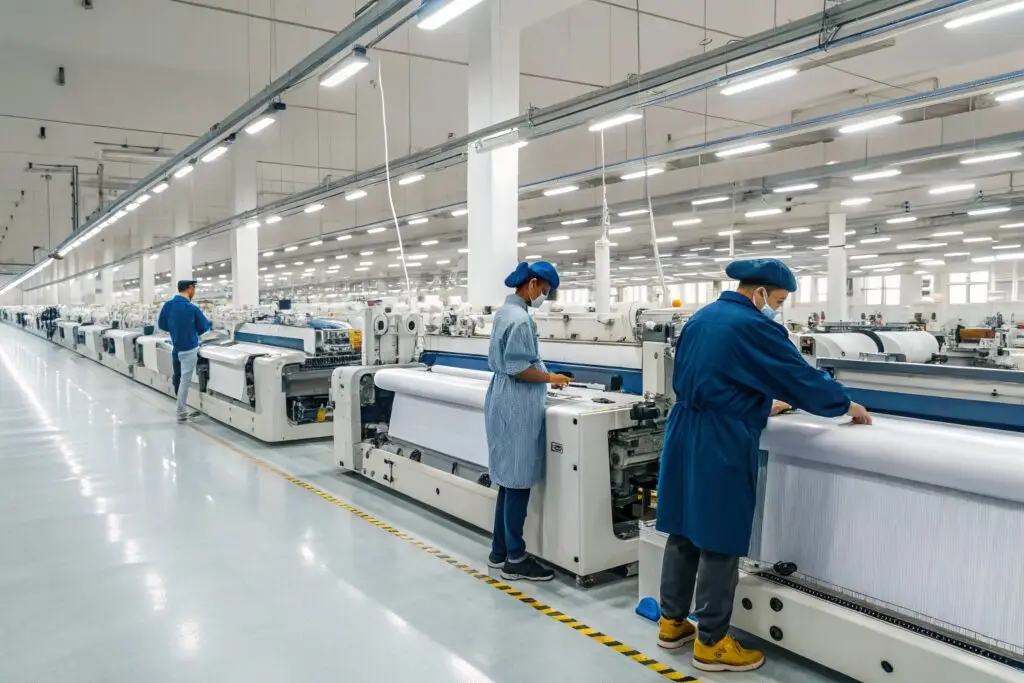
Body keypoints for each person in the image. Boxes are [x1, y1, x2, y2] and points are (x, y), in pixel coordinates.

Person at [656, 258, 871, 673]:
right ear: (759, 293)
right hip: (721, 437)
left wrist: (756, 403)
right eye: (778, 300)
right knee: (719, 535)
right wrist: (845, 404)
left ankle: (672, 623)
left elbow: (715, 376)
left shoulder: (701, 317)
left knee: (683, 528)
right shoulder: (754, 325)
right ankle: (712, 643)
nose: (777, 308)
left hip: (684, 428)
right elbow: (799, 376)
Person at [484, 261, 571, 582]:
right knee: (518, 481)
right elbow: (520, 369)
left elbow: (517, 362)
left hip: (502, 398)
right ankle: (516, 559)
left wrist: (546, 375)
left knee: (507, 481)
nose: (543, 297)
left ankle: (498, 552)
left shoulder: (504, 313)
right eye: (544, 291)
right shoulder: (521, 320)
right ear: (532, 284)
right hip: (517, 404)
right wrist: (550, 377)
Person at [157, 279, 211, 423]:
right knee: (185, 381)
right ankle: (181, 412)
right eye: (194, 289)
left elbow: (162, 325)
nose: (194, 292)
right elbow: (204, 328)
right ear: (190, 288)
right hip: (189, 349)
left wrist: (176, 330)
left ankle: (179, 405)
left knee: (177, 377)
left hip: (176, 348)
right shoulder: (192, 308)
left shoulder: (168, 305)